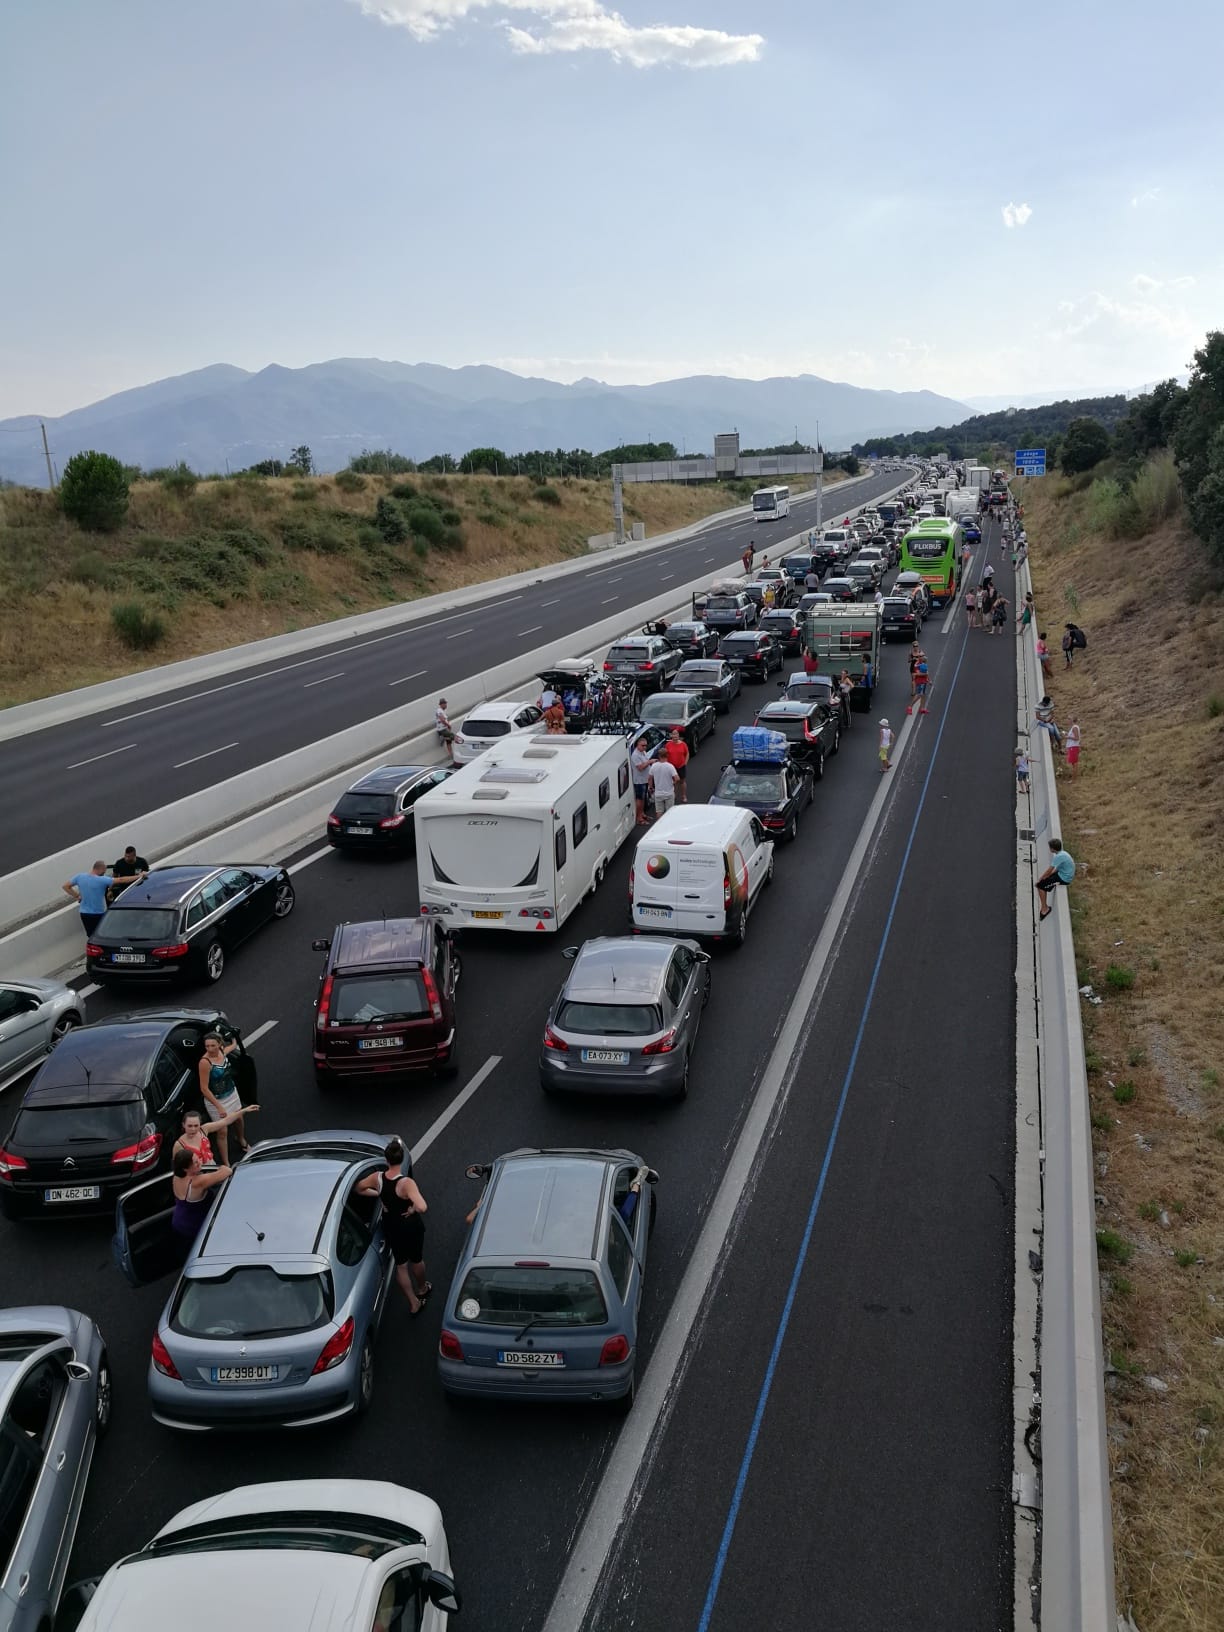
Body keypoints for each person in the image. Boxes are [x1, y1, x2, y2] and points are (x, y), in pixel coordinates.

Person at [357, 1138, 431, 1315]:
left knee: (400, 1264)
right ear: (402, 1158)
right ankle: (422, 1288)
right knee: (416, 1259)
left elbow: (358, 1188)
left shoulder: (377, 1178)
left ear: (386, 1159)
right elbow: (422, 1206)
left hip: (391, 1225)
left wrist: (378, 1195)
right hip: (409, 1225)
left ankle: (413, 1302)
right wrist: (412, 1209)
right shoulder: (406, 1183)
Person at [198, 1033, 249, 1163]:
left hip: (231, 1093)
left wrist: (233, 1037)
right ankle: (226, 1163)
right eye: (207, 1046)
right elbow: (204, 1089)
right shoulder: (205, 1062)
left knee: (239, 1117)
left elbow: (232, 1047)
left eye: (213, 1045)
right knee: (222, 1131)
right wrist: (219, 1106)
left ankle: (241, 1139)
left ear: (220, 1044)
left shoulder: (222, 1051)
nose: (210, 1049)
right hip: (216, 1100)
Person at [171, 1147, 231, 1246]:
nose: (199, 1162)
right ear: (185, 1169)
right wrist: (221, 1167)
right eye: (195, 1163)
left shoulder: (176, 1176)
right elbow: (227, 1171)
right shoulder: (197, 1182)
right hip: (194, 1226)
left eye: (198, 1158)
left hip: (178, 1222)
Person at [174, 1103, 257, 1168]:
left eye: (196, 1126)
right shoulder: (179, 1145)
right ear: (183, 1125)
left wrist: (244, 1110)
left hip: (211, 1165)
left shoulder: (204, 1129)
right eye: (190, 1126)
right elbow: (176, 1167)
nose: (193, 1129)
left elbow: (225, 1121)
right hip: (196, 1173)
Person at [61, 860, 117, 938]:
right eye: (103, 872)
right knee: (102, 935)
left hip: (84, 914)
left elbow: (65, 886)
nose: (103, 874)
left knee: (91, 936)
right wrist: (137, 877)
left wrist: (77, 896)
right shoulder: (102, 879)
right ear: (100, 869)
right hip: (98, 913)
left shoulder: (80, 876)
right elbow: (120, 880)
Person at [1035, 838, 1076, 921]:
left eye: (1050, 847)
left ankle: (1044, 909)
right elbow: (1056, 869)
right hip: (1063, 873)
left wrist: (1041, 879)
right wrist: (1048, 876)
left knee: (1040, 886)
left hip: (1064, 879)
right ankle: (1044, 907)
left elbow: (1049, 870)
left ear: (1053, 849)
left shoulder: (1058, 857)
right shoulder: (1063, 853)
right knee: (1045, 880)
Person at [662, 729, 690, 803]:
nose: (675, 736)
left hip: (681, 766)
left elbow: (687, 753)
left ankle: (684, 795)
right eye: (673, 734)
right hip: (671, 767)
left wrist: (685, 763)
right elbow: (665, 755)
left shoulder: (683, 744)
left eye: (676, 734)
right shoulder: (668, 745)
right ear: (671, 735)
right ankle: (674, 795)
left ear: (678, 735)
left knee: (682, 781)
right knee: (673, 782)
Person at [631, 739, 653, 824]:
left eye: (645, 745)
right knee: (639, 800)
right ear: (637, 745)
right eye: (642, 745)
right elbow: (640, 768)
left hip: (645, 779)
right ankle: (639, 818)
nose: (644, 747)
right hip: (639, 781)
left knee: (643, 798)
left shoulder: (643, 752)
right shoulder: (635, 755)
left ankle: (642, 814)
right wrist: (649, 762)